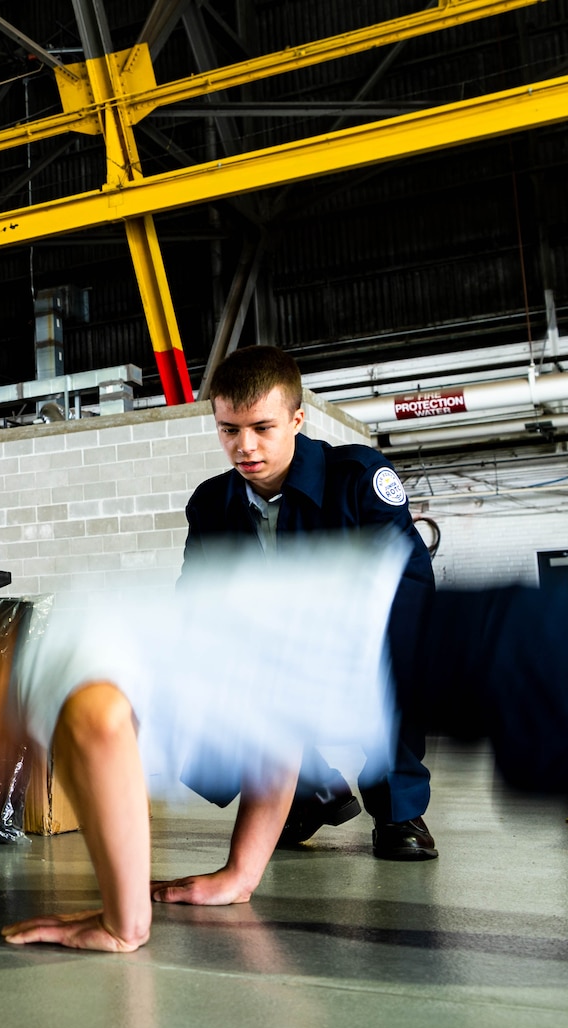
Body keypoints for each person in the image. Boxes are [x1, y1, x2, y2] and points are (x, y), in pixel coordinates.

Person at [0, 538, 568, 955]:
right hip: (524, 658)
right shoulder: (141, 633)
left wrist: (123, 924)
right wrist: (241, 873)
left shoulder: (49, 658)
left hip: (521, 665)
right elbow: (277, 738)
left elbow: (95, 726)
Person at [181, 345, 440, 861]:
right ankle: (311, 791)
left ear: (297, 419)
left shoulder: (359, 479)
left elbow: (403, 585)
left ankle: (398, 812)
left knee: (396, 678)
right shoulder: (210, 504)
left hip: (365, 634)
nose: (244, 446)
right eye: (229, 430)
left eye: (262, 427)